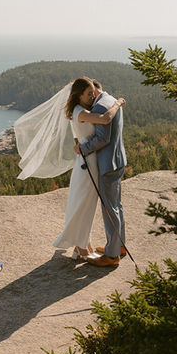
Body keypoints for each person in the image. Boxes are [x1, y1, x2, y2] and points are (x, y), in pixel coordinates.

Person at [14, 77, 125, 259]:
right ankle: (81, 246)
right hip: (87, 164)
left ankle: (83, 244)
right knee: (83, 205)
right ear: (78, 95)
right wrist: (118, 103)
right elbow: (105, 119)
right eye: (89, 94)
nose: (93, 96)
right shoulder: (80, 111)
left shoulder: (83, 109)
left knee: (86, 205)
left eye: (93, 92)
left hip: (91, 162)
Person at [74, 80, 127, 267]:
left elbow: (102, 139)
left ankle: (112, 256)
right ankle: (119, 246)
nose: (90, 98)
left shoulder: (100, 107)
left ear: (94, 89)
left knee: (109, 209)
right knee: (116, 205)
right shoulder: (111, 100)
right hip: (119, 159)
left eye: (90, 93)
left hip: (107, 164)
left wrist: (83, 148)